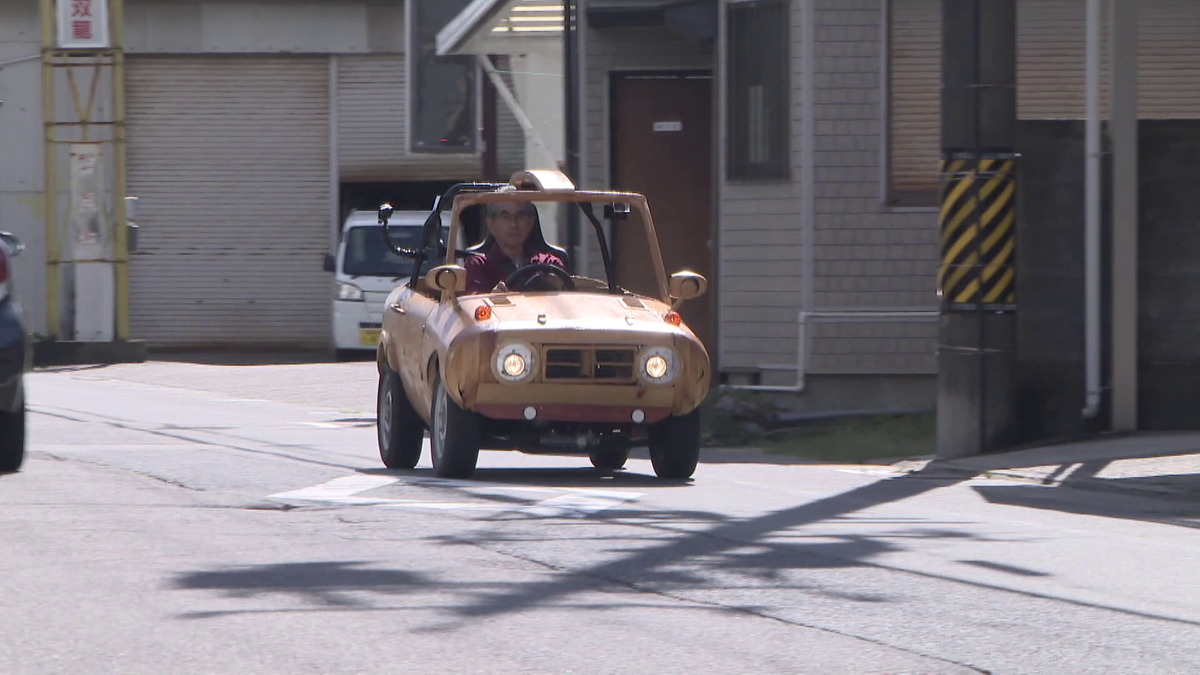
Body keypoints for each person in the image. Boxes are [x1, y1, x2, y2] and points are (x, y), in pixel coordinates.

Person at [464, 201, 567, 294]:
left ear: (531, 222)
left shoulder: (549, 263)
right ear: (491, 224)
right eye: (505, 216)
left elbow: (565, 300)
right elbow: (473, 307)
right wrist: (492, 298)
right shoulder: (478, 265)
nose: (514, 224)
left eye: (520, 216)